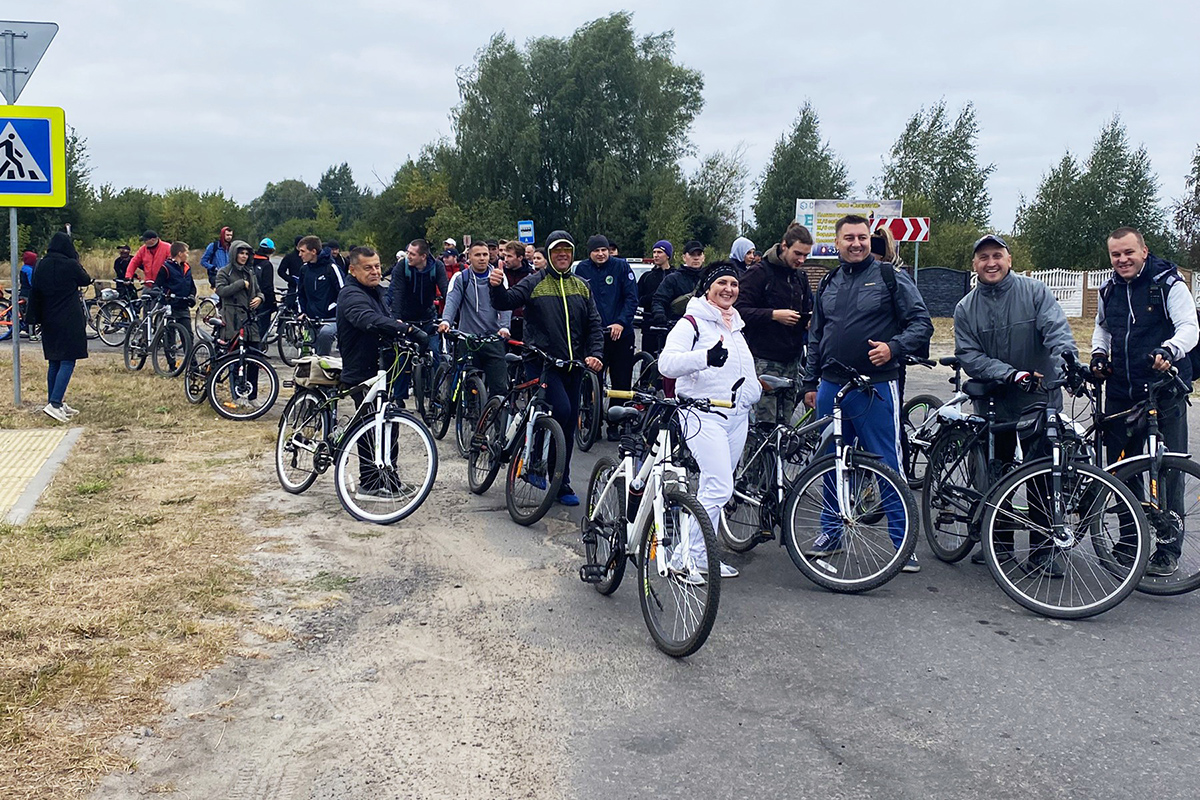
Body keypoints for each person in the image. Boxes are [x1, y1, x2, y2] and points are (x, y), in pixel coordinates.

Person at [801, 214, 933, 572]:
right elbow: (817, 336)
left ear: (869, 240)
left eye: (861, 237)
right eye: (849, 238)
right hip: (831, 386)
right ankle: (831, 533)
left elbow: (922, 324)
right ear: (837, 242)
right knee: (830, 461)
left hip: (874, 386)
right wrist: (810, 383)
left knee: (887, 463)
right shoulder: (828, 280)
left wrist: (893, 348)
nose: (856, 243)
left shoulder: (891, 277)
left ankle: (902, 542)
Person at [954, 234, 1079, 572]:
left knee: (1041, 473)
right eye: (983, 257)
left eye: (997, 255)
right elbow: (969, 355)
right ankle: (999, 545)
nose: (990, 263)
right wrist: (1008, 374)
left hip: (1039, 396)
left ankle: (1044, 549)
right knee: (997, 472)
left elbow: (1056, 330)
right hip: (996, 398)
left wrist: (1069, 361)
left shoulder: (1035, 292)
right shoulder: (965, 308)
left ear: (1009, 260)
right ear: (974, 265)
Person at [1091, 226, 1199, 577]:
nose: (1122, 260)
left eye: (1128, 253)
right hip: (1122, 388)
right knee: (1122, 467)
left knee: (1166, 469)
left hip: (1163, 387)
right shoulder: (1110, 289)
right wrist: (1098, 353)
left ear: (1144, 251)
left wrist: (1169, 349)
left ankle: (1168, 547)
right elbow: (1103, 327)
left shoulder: (1168, 283)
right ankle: (1129, 540)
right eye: (1116, 255)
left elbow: (1189, 327)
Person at [657, 262, 761, 581]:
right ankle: (681, 557)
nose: (729, 289)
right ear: (707, 288)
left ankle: (701, 557)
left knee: (715, 487)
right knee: (719, 486)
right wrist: (704, 358)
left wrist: (754, 390)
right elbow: (667, 363)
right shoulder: (692, 322)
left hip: (735, 416)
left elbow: (742, 369)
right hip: (701, 414)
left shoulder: (735, 324)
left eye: (734, 283)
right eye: (722, 283)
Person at [489, 230, 605, 506]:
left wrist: (595, 354)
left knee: (569, 422)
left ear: (572, 254)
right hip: (541, 362)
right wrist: (495, 286)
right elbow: (505, 301)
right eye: (557, 251)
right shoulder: (534, 282)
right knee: (561, 411)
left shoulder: (582, 286)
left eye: (567, 250)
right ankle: (531, 461)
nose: (562, 255)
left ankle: (559, 481)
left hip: (573, 365)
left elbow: (594, 325)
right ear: (550, 255)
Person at [337, 246, 431, 498]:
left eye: (377, 266)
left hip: (382, 368)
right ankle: (369, 483)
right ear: (353, 270)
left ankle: (388, 478)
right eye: (368, 268)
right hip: (361, 369)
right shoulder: (351, 294)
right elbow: (366, 319)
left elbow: (387, 321)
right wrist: (408, 330)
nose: (375, 271)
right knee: (368, 425)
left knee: (390, 420)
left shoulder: (376, 292)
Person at [736, 223, 813, 425]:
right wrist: (772, 315)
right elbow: (738, 311)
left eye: (806, 255)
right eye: (798, 253)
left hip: (793, 360)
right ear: (784, 246)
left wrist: (810, 320)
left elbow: (807, 307)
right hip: (763, 359)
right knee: (763, 425)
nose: (801, 260)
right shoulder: (759, 272)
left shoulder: (801, 276)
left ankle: (779, 456)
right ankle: (757, 457)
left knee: (784, 426)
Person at [574, 234, 638, 440]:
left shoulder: (621, 267)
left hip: (620, 334)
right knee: (591, 379)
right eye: (596, 251)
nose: (601, 254)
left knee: (621, 380)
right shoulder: (582, 269)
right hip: (594, 335)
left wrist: (621, 322)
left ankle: (615, 423)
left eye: (604, 250)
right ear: (590, 253)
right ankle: (591, 421)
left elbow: (631, 298)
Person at [28, 232, 92, 422]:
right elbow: (85, 279)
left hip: (48, 318)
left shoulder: (41, 264)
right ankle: (55, 402)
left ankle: (54, 401)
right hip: (69, 318)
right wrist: (76, 259)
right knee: (68, 360)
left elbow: (35, 290)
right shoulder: (70, 264)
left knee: (54, 360)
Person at [438, 241, 512, 398]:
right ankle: (466, 413)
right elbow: (452, 301)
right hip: (468, 339)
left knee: (500, 389)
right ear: (469, 257)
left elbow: (506, 304)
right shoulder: (461, 278)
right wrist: (446, 322)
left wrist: (505, 327)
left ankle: (497, 419)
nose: (482, 258)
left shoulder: (498, 276)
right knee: (468, 388)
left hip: (493, 339)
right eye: (477, 255)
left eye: (485, 254)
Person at [297, 235, 344, 356]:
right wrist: (302, 311)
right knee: (306, 352)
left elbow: (344, 294)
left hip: (330, 318)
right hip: (310, 320)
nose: (299, 255)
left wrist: (332, 308)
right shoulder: (304, 269)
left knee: (325, 335)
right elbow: (300, 293)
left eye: (302, 251)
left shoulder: (331, 268)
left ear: (313, 251)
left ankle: (322, 365)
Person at [652, 239, 705, 330]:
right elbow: (659, 300)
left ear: (703, 258)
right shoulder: (673, 279)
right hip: (677, 327)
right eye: (692, 254)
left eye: (699, 254)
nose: (696, 258)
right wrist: (660, 315)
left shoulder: (710, 279)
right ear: (684, 257)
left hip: (704, 328)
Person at [637, 240, 673, 355]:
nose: (656, 255)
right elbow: (638, 300)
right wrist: (654, 297)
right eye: (654, 252)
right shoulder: (647, 277)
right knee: (648, 360)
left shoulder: (675, 276)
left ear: (667, 255)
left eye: (660, 252)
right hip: (649, 325)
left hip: (670, 324)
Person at [501, 241, 534, 341]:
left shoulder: (531, 276)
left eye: (510, 256)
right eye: (505, 256)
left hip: (524, 324)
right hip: (503, 325)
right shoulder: (500, 273)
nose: (506, 260)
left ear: (520, 257)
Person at [253, 238, 277, 339]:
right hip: (262, 300)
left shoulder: (250, 261)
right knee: (263, 326)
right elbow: (268, 287)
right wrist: (273, 302)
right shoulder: (267, 265)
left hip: (250, 297)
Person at [277, 236, 305, 311]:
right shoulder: (289, 257)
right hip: (293, 287)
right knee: (289, 306)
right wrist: (291, 280)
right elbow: (280, 271)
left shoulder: (307, 256)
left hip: (305, 286)